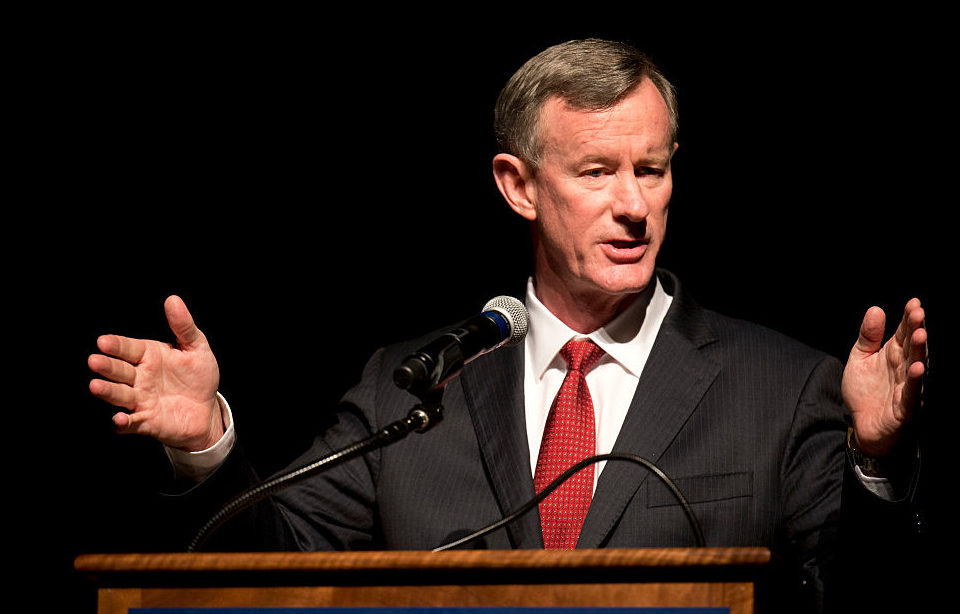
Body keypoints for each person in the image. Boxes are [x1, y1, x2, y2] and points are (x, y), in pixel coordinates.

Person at [87, 39, 928, 612]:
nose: (634, 205)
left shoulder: (780, 386)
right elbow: (271, 574)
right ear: (518, 186)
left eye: (653, 170)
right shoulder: (412, 383)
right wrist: (208, 446)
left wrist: (878, 462)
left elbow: (859, 599)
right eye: (597, 171)